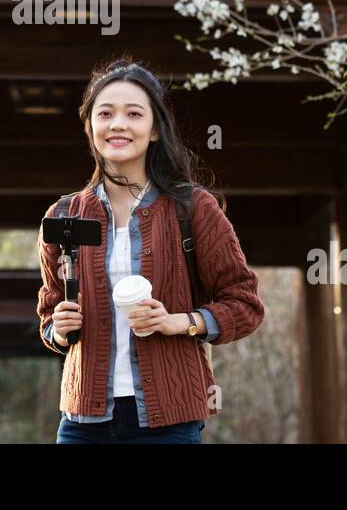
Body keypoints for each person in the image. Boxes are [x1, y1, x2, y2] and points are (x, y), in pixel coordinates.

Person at [36, 58, 265, 443]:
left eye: (134, 114)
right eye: (105, 113)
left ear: (155, 129)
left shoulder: (192, 208)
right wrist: (58, 330)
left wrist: (180, 322)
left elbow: (246, 304)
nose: (118, 124)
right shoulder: (64, 215)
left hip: (169, 422)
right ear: (90, 127)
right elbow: (48, 313)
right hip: (82, 421)